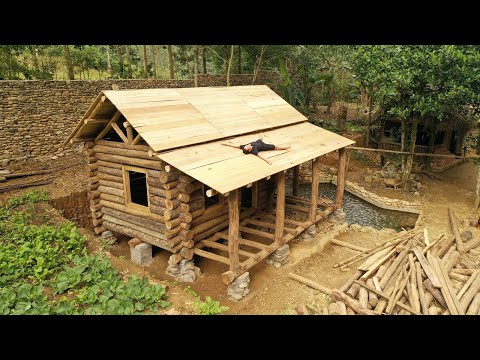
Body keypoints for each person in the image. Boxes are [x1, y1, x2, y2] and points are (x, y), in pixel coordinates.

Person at [221, 137, 291, 165]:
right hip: (263, 146)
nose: (247, 145)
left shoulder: (244, 147)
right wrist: (268, 161)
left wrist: (226, 144)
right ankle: (284, 148)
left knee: (260, 138)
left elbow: (235, 146)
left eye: (246, 145)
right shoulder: (254, 151)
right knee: (274, 147)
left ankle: (261, 136)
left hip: (257, 141)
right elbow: (261, 156)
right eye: (247, 146)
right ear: (249, 149)